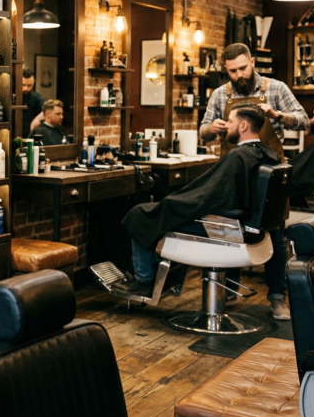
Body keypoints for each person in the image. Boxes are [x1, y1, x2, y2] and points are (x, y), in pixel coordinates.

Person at [118, 104, 281, 297]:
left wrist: (176, 201)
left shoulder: (239, 156)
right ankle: (162, 278)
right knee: (162, 210)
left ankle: (143, 280)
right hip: (247, 226)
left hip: (225, 226)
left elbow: (210, 197)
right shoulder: (266, 153)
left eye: (230, 121)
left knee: (141, 214)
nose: (227, 126)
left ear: (243, 125)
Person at [199, 43, 309, 320]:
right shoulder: (220, 94)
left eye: (242, 68)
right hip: (234, 174)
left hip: (269, 176)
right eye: (232, 71)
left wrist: (277, 115)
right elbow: (203, 131)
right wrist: (211, 129)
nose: (238, 75)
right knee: (231, 230)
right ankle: (229, 288)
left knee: (274, 233)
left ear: (252, 62)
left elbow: (304, 121)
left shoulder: (276, 88)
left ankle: (277, 297)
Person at [21, 68, 46, 134]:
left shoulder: (35, 97)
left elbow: (47, 109)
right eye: (23, 85)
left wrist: (37, 119)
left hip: (30, 133)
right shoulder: (11, 96)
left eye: (29, 85)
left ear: (33, 82)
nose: (26, 88)